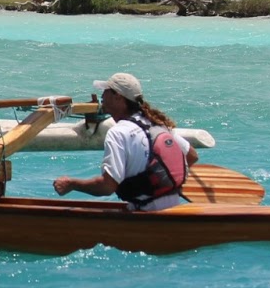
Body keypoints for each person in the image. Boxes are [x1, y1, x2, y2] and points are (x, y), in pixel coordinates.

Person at [53, 72, 190, 211]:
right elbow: (191, 155)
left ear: (117, 97)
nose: (102, 96)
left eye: (106, 91)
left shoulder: (118, 132)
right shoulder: (156, 124)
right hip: (174, 209)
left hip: (146, 216)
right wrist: (165, 181)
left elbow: (107, 187)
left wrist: (71, 184)